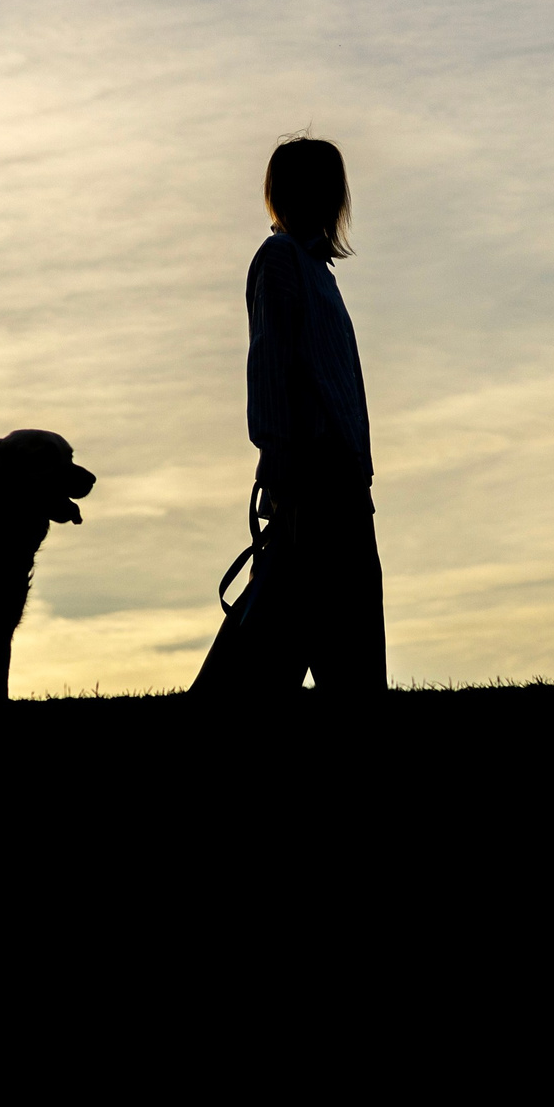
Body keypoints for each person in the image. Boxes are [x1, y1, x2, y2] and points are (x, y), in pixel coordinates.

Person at [191, 136, 386, 695]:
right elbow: (271, 362)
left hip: (339, 471)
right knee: (312, 613)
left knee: (321, 613)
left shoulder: (317, 270)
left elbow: (340, 383)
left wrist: (360, 467)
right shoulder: (281, 260)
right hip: (312, 469)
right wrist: (279, 458)